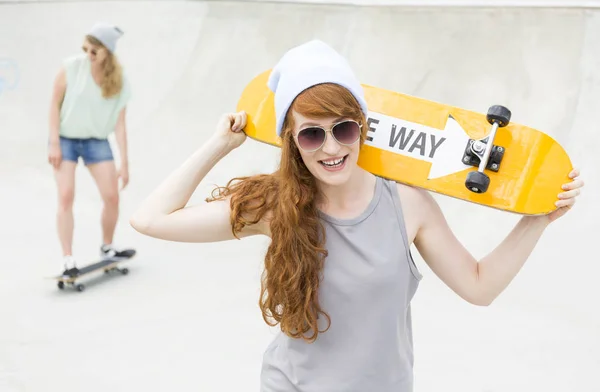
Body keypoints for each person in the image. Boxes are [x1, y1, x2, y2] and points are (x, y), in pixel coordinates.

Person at [129, 40, 584, 391]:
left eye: (343, 129)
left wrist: (537, 218)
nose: (331, 148)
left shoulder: (408, 204)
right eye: (311, 135)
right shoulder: (274, 205)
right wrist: (219, 145)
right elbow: (150, 219)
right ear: (290, 139)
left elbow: (479, 285)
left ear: (362, 127)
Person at [48, 23, 136, 277]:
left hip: (96, 141)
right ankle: (68, 259)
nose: (88, 55)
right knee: (66, 195)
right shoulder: (71, 67)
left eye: (94, 51)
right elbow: (53, 105)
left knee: (112, 197)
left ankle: (107, 247)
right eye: (85, 49)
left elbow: (120, 125)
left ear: (107, 51)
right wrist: (53, 142)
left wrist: (125, 162)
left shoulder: (120, 80)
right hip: (65, 139)